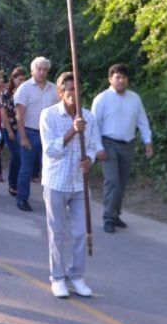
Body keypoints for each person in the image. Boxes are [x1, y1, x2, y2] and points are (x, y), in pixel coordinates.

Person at [40, 72, 98, 299]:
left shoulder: (88, 116)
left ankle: (77, 276)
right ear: (60, 92)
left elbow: (92, 146)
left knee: (81, 232)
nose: (75, 93)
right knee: (57, 232)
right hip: (56, 181)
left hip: (79, 183)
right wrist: (73, 130)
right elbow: (51, 151)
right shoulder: (49, 115)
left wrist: (89, 160)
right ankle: (57, 277)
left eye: (78, 89)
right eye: (70, 89)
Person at [91, 63, 154, 233]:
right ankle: (108, 218)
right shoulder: (102, 99)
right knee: (112, 182)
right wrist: (98, 148)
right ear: (110, 79)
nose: (121, 80)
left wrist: (148, 141)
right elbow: (94, 125)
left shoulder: (134, 98)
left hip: (128, 144)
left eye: (124, 77)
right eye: (117, 77)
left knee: (122, 182)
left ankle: (115, 214)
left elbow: (142, 121)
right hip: (108, 143)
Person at [14, 57, 59, 212]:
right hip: (29, 132)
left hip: (49, 134)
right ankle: (22, 198)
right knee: (27, 168)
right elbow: (19, 115)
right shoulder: (24, 88)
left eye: (45, 69)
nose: (42, 72)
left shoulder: (54, 89)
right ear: (32, 70)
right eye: (39, 69)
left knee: (50, 168)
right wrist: (23, 137)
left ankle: (52, 200)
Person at [2, 67, 26, 197]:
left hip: (22, 128)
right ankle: (12, 183)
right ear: (13, 79)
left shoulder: (26, 92)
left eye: (24, 80)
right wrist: (10, 131)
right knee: (17, 155)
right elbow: (4, 114)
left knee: (22, 156)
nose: (22, 82)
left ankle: (20, 182)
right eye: (20, 79)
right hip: (9, 127)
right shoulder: (7, 93)